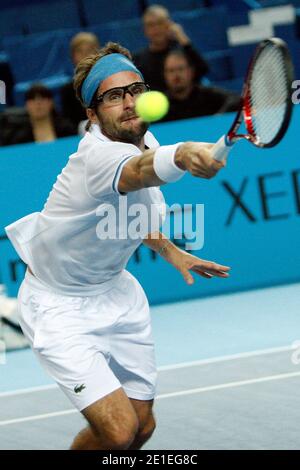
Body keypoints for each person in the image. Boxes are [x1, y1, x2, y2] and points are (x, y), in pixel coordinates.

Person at [5, 42, 230, 450]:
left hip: (117, 295)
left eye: (135, 90)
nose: (129, 103)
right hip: (59, 307)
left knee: (142, 427)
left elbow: (134, 208)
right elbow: (142, 172)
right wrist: (184, 153)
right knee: (119, 430)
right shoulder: (98, 157)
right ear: (92, 114)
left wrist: (172, 250)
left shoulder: (141, 133)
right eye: (113, 97)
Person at [133, 4, 209, 92]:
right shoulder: (138, 59)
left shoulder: (183, 51)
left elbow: (203, 69)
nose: (156, 28)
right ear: (145, 30)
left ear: (169, 24)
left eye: (160, 23)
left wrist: (183, 39)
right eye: (151, 25)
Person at [161, 49, 241, 122]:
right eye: (171, 71)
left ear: (190, 71)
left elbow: (235, 99)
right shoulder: (161, 102)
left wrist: (220, 116)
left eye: (180, 69)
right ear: (165, 75)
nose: (176, 75)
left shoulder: (207, 94)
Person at [0, 84, 76, 146]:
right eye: (32, 98)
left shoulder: (68, 130)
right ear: (26, 105)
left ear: (51, 103)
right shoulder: (19, 138)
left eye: (43, 98)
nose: (38, 102)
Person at [60, 32, 100, 128]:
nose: (85, 55)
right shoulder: (67, 91)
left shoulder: (108, 82)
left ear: (98, 54)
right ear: (73, 57)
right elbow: (69, 123)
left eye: (90, 50)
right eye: (80, 51)